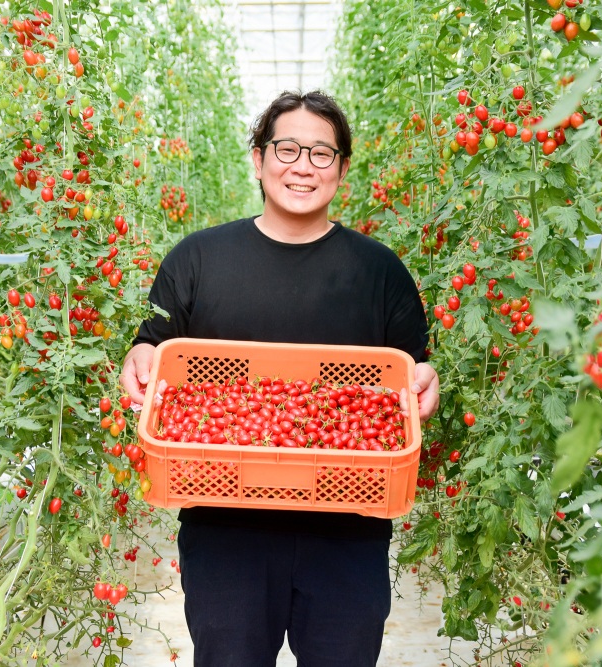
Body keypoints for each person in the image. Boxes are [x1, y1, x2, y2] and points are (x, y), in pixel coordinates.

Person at [120, 90, 440, 667]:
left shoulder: (380, 271)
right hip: (224, 530)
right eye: (287, 147)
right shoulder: (196, 260)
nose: (302, 165)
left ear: (342, 169)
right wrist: (138, 358)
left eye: (322, 153)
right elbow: (153, 349)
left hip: (347, 529)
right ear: (259, 158)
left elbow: (409, 374)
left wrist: (425, 385)